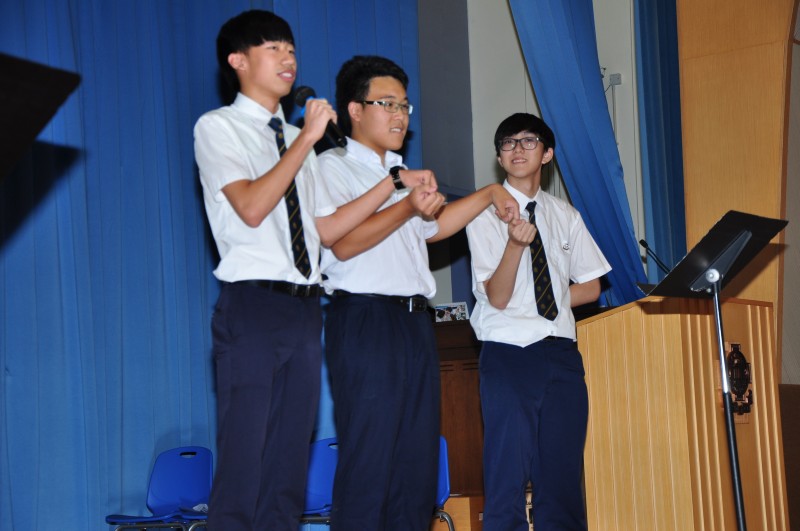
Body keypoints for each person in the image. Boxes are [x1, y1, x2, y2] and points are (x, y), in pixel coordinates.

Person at [193, 12, 434, 530]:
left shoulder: (296, 138)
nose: (288, 58)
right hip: (252, 303)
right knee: (244, 462)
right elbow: (251, 207)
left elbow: (326, 231)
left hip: (305, 308)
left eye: (291, 49)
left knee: (287, 469)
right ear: (238, 61)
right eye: (273, 48)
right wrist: (305, 140)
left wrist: (394, 185)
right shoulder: (220, 127)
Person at [316, 55, 520, 531]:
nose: (400, 115)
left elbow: (433, 229)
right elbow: (343, 243)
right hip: (365, 320)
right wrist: (406, 204)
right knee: (370, 460)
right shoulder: (332, 167)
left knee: (416, 465)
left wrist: (489, 194)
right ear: (354, 110)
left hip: (413, 322)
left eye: (404, 105)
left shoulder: (400, 171)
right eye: (386, 103)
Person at [465, 113, 612, 530]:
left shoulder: (564, 214)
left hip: (562, 353)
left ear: (547, 154)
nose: (517, 149)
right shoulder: (483, 213)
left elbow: (591, 286)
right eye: (508, 143)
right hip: (509, 352)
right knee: (507, 473)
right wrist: (514, 245)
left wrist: (544, 299)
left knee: (562, 476)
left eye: (528, 141)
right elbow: (497, 296)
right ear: (499, 156)